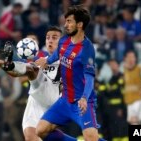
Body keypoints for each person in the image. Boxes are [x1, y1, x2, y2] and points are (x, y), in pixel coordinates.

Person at [0, 26, 78, 141]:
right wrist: (3, 64)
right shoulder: (40, 59)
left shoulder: (69, 60)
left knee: (32, 69)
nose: (50, 40)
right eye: (48, 38)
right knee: (30, 137)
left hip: (54, 100)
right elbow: (18, 73)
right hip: (36, 101)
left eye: (54, 37)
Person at [35, 6, 105, 141]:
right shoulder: (63, 40)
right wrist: (47, 60)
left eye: (69, 21)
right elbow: (58, 53)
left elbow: (89, 77)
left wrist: (84, 97)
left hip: (82, 101)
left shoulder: (87, 49)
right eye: (65, 21)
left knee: (91, 138)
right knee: (41, 131)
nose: (65, 25)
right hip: (65, 100)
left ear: (79, 25)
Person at [123, 50, 141, 125]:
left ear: (135, 59)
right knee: (133, 123)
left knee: (137, 122)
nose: (131, 59)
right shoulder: (124, 70)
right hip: (129, 100)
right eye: (129, 57)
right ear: (125, 59)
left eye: (133, 57)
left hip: (139, 100)